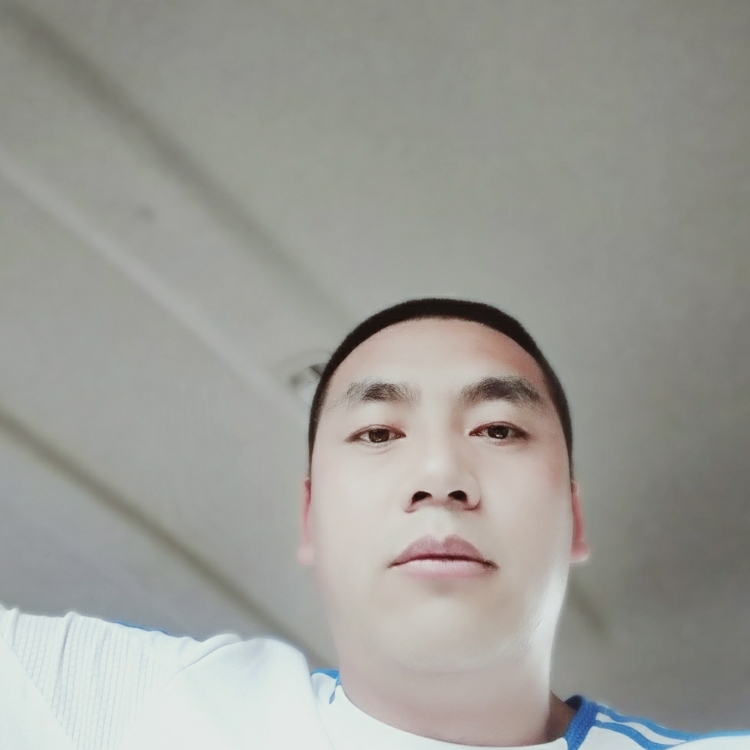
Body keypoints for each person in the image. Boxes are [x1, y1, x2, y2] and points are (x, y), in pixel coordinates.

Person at [0, 298, 746, 750]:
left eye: (498, 429)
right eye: (379, 433)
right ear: (310, 518)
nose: (439, 476)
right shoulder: (143, 708)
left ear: (574, 519)